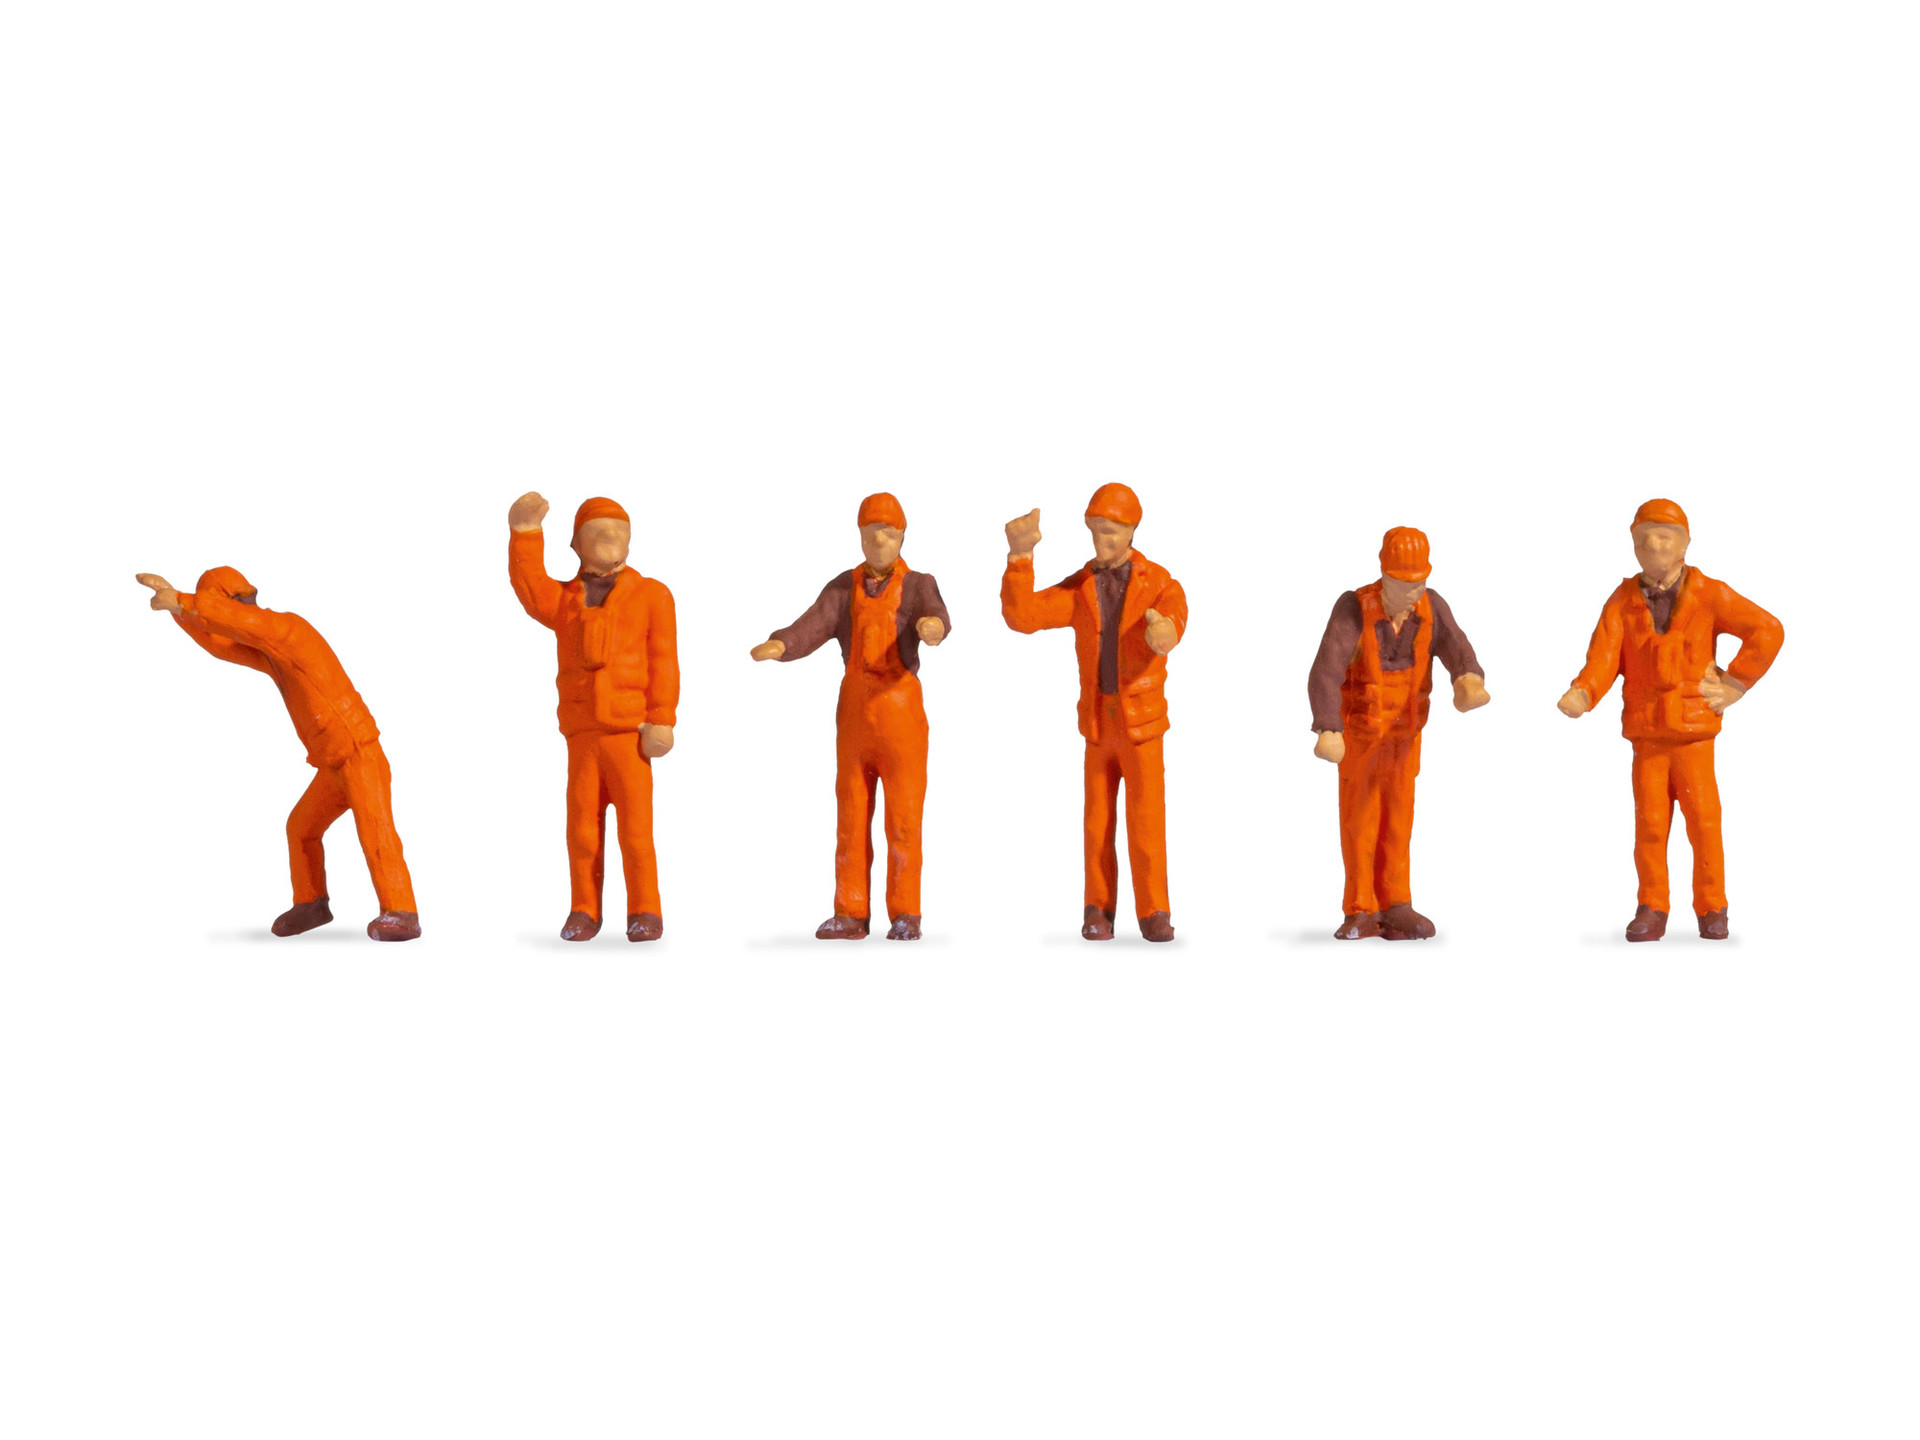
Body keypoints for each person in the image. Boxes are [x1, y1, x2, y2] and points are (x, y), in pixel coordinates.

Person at [135, 567, 420, 940]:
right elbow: (222, 643)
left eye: (219, 605)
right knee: (301, 828)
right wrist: (178, 610)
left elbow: (236, 622)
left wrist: (183, 602)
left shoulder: (288, 631)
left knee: (375, 829)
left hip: (358, 754)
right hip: (331, 764)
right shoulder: (271, 653)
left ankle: (402, 912)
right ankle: (311, 903)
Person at [1558, 499, 1785, 941]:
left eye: (1665, 538)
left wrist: (1735, 684)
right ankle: (1652, 905)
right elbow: (1604, 657)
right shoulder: (1621, 602)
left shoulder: (1709, 594)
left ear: (1685, 545)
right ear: (1633, 544)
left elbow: (1767, 630)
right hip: (1647, 736)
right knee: (1650, 825)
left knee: (1704, 824)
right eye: (1645, 538)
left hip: (1693, 736)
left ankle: (1712, 906)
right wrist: (1583, 692)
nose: (1655, 547)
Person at [752, 493, 951, 940]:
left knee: (903, 818)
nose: (879, 541)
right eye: (870, 533)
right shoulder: (844, 587)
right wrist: (783, 644)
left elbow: (937, 615)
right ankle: (850, 911)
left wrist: (933, 628)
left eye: (888, 533)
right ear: (859, 537)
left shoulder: (919, 584)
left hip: (900, 714)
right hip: (855, 715)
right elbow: (814, 624)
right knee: (851, 814)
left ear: (902, 537)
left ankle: (906, 913)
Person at [1000, 484, 1187, 942]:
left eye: (1112, 531)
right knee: (1096, 822)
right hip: (1099, 722)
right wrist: (1020, 558)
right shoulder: (1081, 586)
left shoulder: (1159, 582)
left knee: (1146, 821)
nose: (1102, 540)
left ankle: (1154, 910)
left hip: (1141, 724)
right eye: (1096, 530)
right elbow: (1025, 616)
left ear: (1132, 531)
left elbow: (1174, 617)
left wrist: (1164, 631)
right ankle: (1097, 907)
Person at [508, 493, 679, 942]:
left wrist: (662, 717)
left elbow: (664, 660)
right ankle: (584, 908)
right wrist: (525, 532)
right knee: (582, 831)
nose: (610, 538)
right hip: (583, 734)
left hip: (629, 734)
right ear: (576, 545)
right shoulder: (565, 600)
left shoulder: (652, 595)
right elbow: (530, 587)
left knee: (636, 831)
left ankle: (645, 909)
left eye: (619, 531)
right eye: (598, 531)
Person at [1306, 527, 1489, 940]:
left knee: (1399, 821)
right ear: (1384, 575)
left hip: (1405, 738)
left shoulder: (1431, 606)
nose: (1413, 591)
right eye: (1405, 583)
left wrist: (1468, 679)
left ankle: (1396, 903)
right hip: (1361, 738)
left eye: (1419, 582)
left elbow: (1458, 648)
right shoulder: (1354, 608)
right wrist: (1328, 725)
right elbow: (1326, 670)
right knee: (1360, 821)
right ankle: (1360, 908)